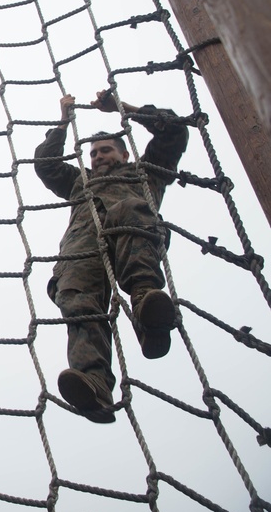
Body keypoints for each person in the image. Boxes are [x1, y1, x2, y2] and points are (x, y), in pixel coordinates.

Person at [34, 91, 189, 423]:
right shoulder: (80, 182)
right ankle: (94, 384)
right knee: (75, 298)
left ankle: (148, 307)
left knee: (128, 208)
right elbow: (45, 164)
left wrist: (124, 108)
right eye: (92, 154)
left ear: (123, 153)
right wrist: (63, 122)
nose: (98, 157)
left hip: (133, 234)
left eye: (105, 150)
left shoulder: (145, 173)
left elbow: (174, 129)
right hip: (83, 246)